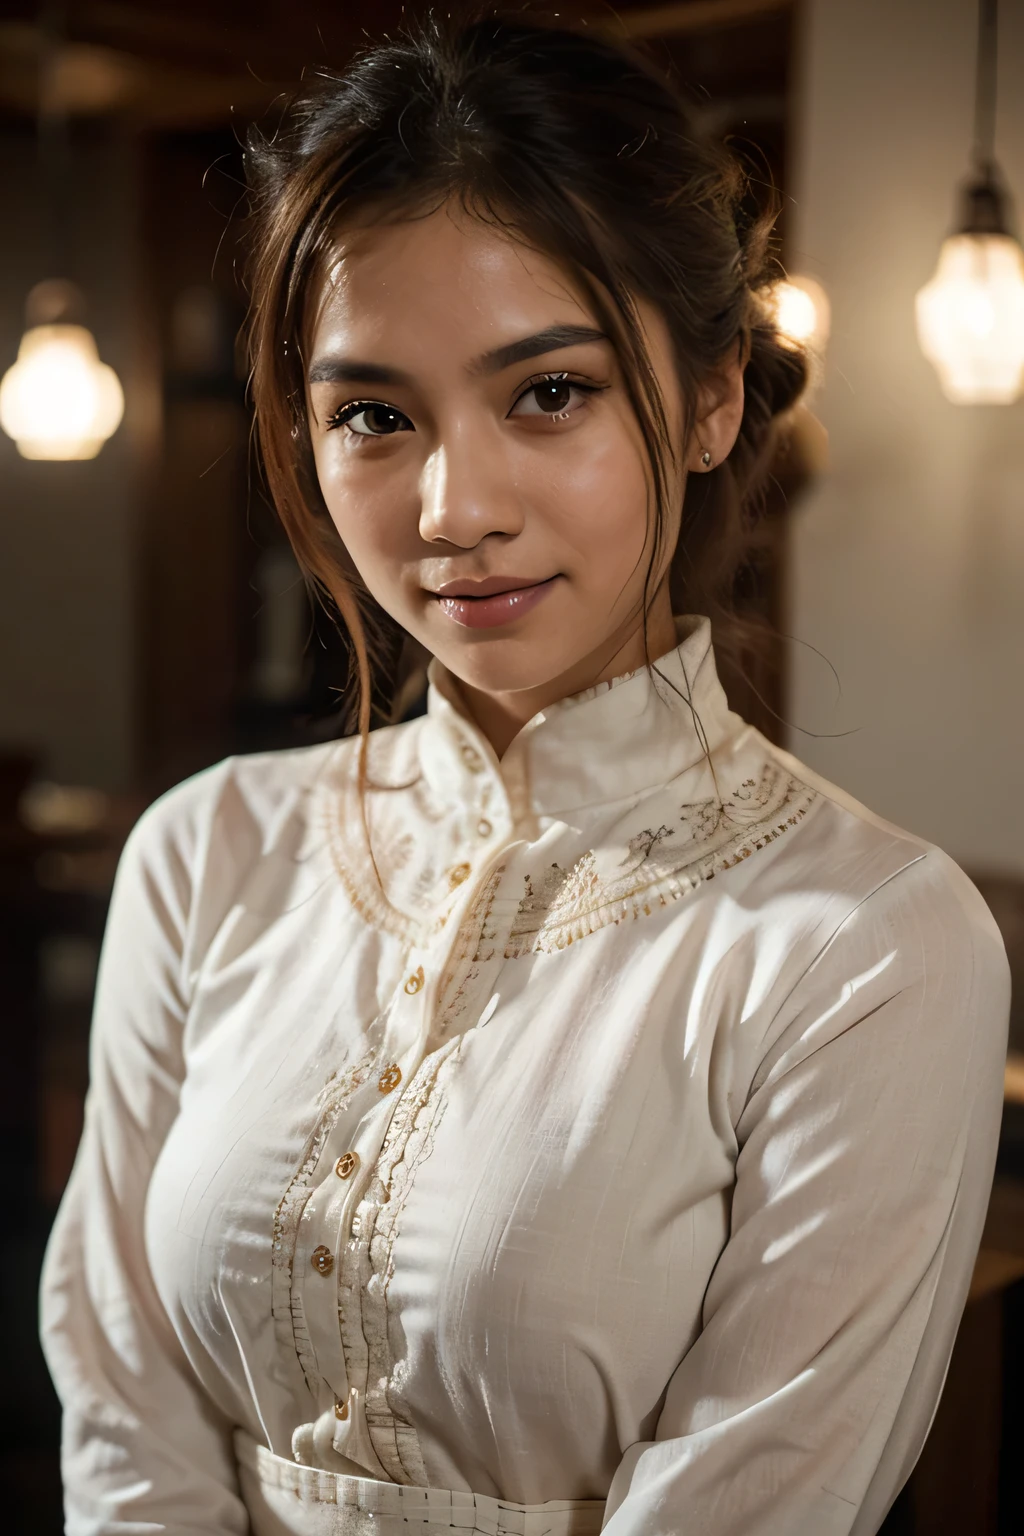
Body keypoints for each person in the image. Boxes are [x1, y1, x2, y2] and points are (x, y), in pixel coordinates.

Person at [40, 10, 1010, 1536]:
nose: (453, 506)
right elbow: (121, 1403)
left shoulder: (866, 944)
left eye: (547, 392)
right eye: (374, 414)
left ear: (707, 400)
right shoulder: (207, 852)